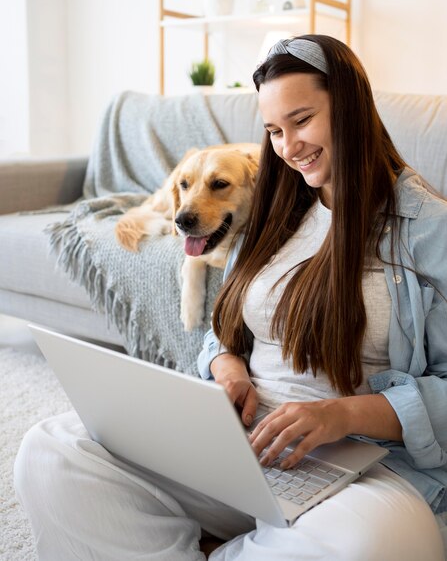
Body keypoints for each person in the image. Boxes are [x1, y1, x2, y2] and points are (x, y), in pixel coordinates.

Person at [14, 35, 447, 560]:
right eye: (273, 130)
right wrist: (226, 368)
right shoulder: (274, 208)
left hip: (360, 468)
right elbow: (228, 330)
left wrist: (343, 415)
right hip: (236, 443)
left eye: (302, 120)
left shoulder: (429, 228)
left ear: (351, 108)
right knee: (53, 449)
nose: (288, 147)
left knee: (376, 544)